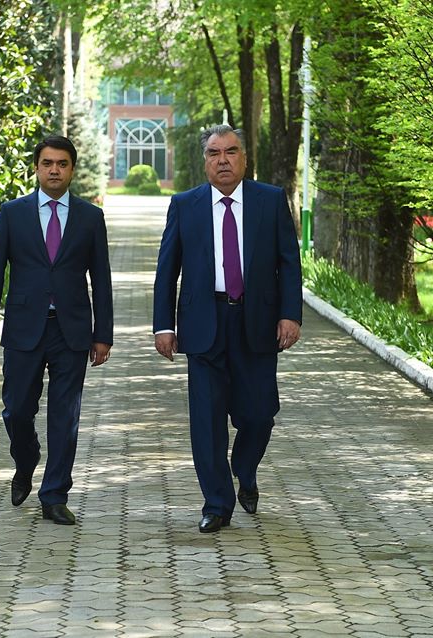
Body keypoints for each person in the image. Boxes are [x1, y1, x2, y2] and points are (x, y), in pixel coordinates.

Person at [153, 124, 302, 533]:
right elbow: (167, 270)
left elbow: (289, 262)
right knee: (207, 420)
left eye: (231, 152)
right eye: (214, 153)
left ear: (244, 159)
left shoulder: (270, 200)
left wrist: (290, 314)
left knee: (259, 415)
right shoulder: (184, 205)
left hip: (257, 323)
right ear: (205, 162)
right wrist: (163, 325)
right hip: (204, 324)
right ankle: (217, 503)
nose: (223, 160)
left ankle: (245, 468)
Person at [0, 135, 113, 526]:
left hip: (72, 331)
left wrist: (103, 334)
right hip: (23, 328)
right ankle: (26, 459)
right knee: (17, 410)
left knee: (65, 416)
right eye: (47, 163)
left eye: (62, 164)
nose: (55, 170)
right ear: (36, 168)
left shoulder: (90, 217)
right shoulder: (13, 213)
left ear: (72, 169)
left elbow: (101, 278)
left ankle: (54, 495)